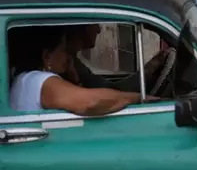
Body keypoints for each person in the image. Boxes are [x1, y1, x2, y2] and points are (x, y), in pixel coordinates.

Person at [9, 26, 152, 115]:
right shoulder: (38, 80)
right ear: (47, 56)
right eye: (63, 50)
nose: (68, 56)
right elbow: (91, 103)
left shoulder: (25, 79)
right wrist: (139, 98)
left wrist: (74, 78)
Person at [64, 24, 168, 92]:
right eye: (93, 23)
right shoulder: (69, 65)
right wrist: (149, 68)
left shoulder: (74, 62)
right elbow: (114, 91)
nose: (99, 29)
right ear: (78, 28)